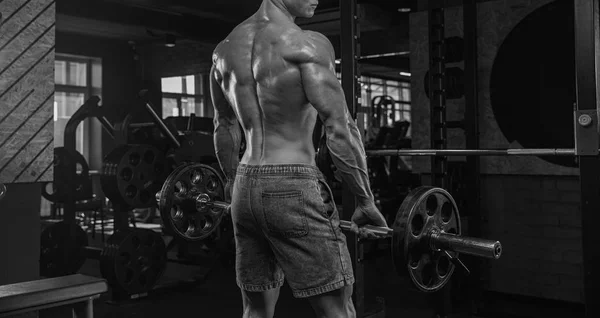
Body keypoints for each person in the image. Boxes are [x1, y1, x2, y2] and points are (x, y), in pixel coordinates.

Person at [210, 1, 388, 317]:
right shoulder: (307, 44)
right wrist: (365, 201)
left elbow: (224, 126)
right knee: (336, 306)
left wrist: (229, 178)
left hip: (245, 185)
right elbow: (339, 127)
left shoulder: (223, 50)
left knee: (255, 308)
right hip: (292, 182)